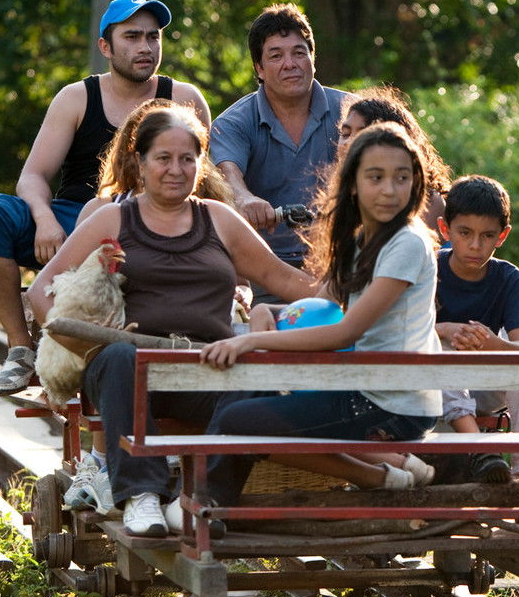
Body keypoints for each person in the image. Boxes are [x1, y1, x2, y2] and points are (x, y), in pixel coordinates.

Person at [27, 103, 317, 537]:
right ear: (140, 163)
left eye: (187, 158)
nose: (175, 170)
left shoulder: (219, 220)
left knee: (260, 386)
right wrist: (84, 350)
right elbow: (39, 293)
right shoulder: (112, 218)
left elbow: (285, 279)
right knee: (122, 357)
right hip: (126, 373)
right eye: (163, 158)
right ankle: (141, 496)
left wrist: (366, 294)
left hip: (206, 369)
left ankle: (202, 502)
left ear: (201, 165)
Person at [0, 0, 211, 395]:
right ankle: (20, 347)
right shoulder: (76, 97)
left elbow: (203, 180)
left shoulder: (183, 98)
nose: (145, 47)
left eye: (153, 37)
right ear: (106, 47)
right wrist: (43, 219)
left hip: (146, 222)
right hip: (70, 218)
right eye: (131, 37)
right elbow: (33, 176)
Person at [196, 121, 443, 509]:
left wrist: (251, 338)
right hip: (363, 387)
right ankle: (211, 501)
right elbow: (324, 299)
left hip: (393, 404)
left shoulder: (407, 243)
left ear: (416, 183)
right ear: (353, 184)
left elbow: (345, 332)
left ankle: (375, 476)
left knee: (237, 422)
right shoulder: (363, 238)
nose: (389, 190)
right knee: (251, 388)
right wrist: (265, 311)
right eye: (375, 177)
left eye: (401, 178)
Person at [209, 3, 350, 299]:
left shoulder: (352, 113)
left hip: (344, 262)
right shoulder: (232, 122)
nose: (290, 63)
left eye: (299, 52)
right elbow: (227, 177)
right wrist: (246, 199)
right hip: (263, 270)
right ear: (259, 69)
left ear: (313, 59)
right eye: (276, 55)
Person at [434, 175, 519, 488]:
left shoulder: (508, 277)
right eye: (465, 233)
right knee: (439, 349)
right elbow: (403, 332)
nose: (475, 245)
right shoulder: (430, 267)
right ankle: (479, 448)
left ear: (502, 236)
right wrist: (446, 329)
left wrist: (493, 343)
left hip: (486, 387)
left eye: (487, 235)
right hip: (432, 388)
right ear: (445, 229)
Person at [336, 86, 450, 233]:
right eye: (345, 134)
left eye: (361, 134)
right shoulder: (345, 192)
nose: (348, 143)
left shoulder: (428, 202)